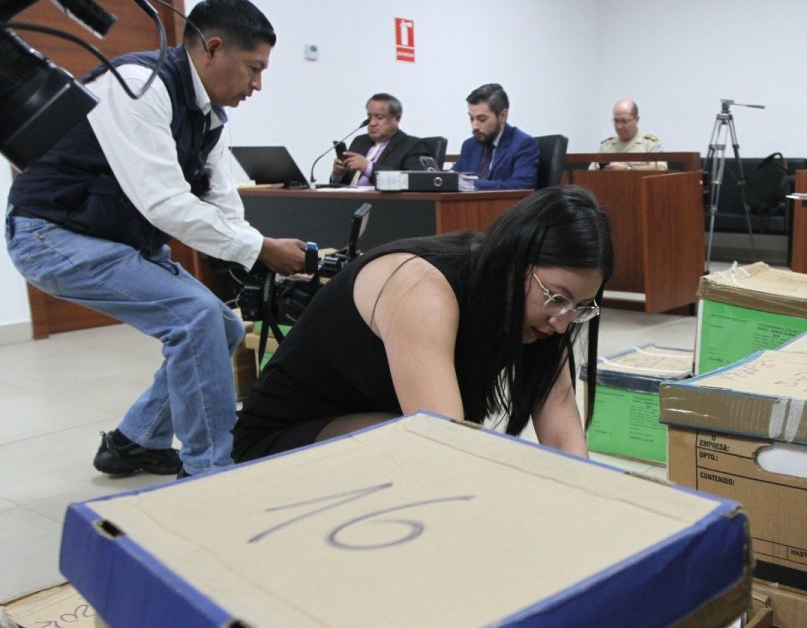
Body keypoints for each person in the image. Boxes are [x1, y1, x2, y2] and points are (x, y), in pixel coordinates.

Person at [5, 0, 307, 478]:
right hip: (50, 234)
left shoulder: (211, 116)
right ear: (212, 48)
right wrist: (261, 250)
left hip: (116, 239)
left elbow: (222, 202)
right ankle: (210, 471)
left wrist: (259, 250)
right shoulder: (137, 86)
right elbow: (165, 203)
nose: (257, 84)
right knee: (195, 318)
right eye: (254, 68)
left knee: (224, 327)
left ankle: (135, 441)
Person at [232, 185, 613, 462]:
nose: (562, 323)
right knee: (458, 459)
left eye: (581, 306)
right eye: (556, 298)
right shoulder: (423, 288)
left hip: (384, 426)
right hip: (283, 443)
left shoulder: (544, 315)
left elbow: (563, 441)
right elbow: (444, 449)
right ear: (514, 260)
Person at [330, 93, 433, 186]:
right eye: (369, 117)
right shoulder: (359, 141)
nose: (372, 123)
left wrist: (368, 167)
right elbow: (344, 184)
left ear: (397, 119)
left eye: (379, 117)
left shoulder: (412, 146)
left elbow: (412, 181)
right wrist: (337, 174)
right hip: (349, 198)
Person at [451, 83, 539, 190]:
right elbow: (455, 177)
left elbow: (521, 185)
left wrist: (470, 184)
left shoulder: (523, 144)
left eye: (482, 119)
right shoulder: (470, 145)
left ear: (503, 116)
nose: (475, 126)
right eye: (471, 118)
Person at [590, 98, 665, 170]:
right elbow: (591, 172)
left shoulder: (650, 144)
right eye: (616, 121)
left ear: (637, 120)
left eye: (624, 121)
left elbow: (661, 168)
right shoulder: (606, 146)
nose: (619, 126)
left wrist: (629, 169)